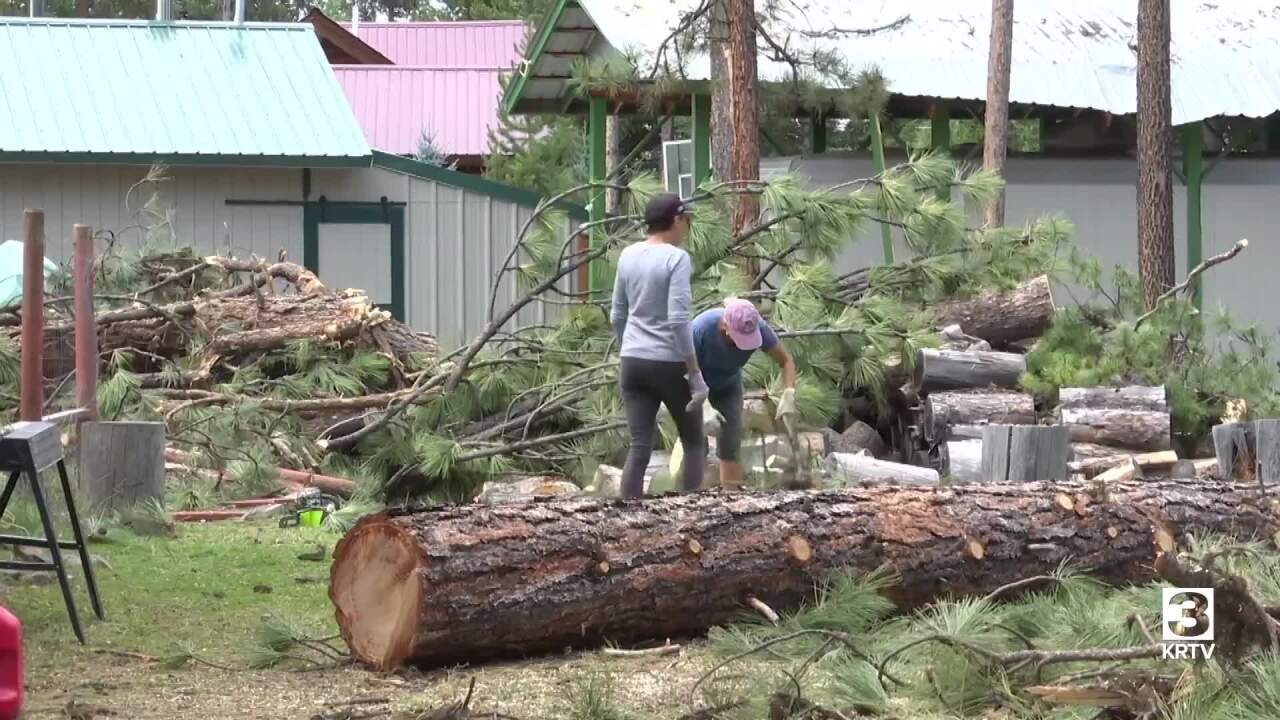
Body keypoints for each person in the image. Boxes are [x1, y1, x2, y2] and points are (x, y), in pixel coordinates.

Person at [610, 194, 708, 498]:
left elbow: (617, 315)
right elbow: (678, 321)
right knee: (693, 440)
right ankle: (693, 515)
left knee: (640, 446)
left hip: (633, 361)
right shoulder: (676, 258)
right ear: (676, 220)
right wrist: (694, 374)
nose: (687, 227)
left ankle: (627, 522)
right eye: (686, 221)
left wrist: (630, 347)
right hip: (668, 363)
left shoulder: (628, 255)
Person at [691, 298, 797, 490]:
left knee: (731, 440)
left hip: (728, 385)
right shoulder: (700, 329)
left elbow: (786, 361)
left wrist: (789, 393)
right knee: (696, 443)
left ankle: (732, 500)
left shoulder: (759, 328)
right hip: (694, 384)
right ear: (725, 326)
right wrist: (703, 405)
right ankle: (693, 499)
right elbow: (687, 371)